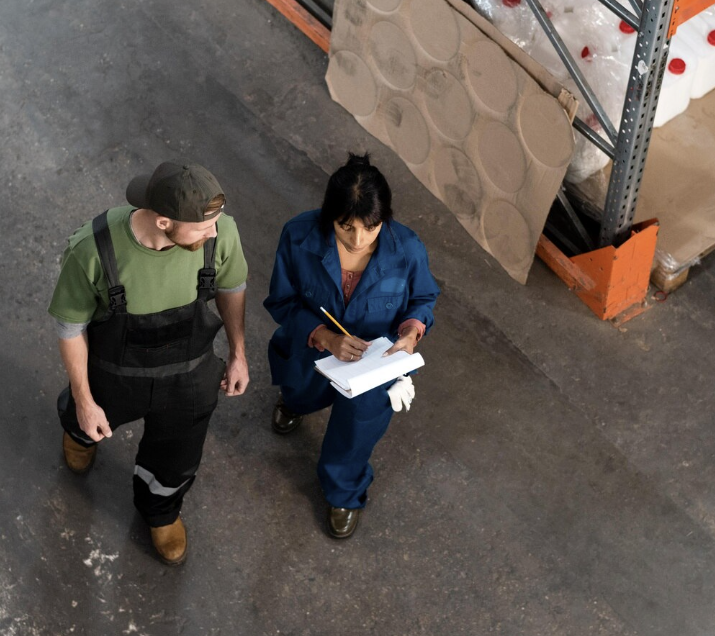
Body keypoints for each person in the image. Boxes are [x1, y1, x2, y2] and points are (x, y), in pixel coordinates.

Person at [48, 162, 249, 565]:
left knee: (178, 454)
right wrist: (85, 401)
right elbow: (70, 328)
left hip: (189, 375)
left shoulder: (220, 232)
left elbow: (232, 286)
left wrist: (238, 354)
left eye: (214, 223)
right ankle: (80, 436)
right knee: (87, 418)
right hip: (114, 374)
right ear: (163, 222)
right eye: (203, 228)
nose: (214, 233)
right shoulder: (94, 249)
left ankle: (160, 511)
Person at [264, 154, 440, 539]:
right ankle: (294, 404)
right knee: (300, 390)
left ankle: (343, 492)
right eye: (346, 226)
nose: (358, 240)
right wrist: (325, 337)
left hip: (375, 362)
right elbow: (281, 301)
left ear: (384, 219)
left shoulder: (408, 250)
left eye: (371, 228)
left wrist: (411, 333)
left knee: (357, 429)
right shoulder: (298, 237)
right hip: (312, 349)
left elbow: (422, 299)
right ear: (329, 215)